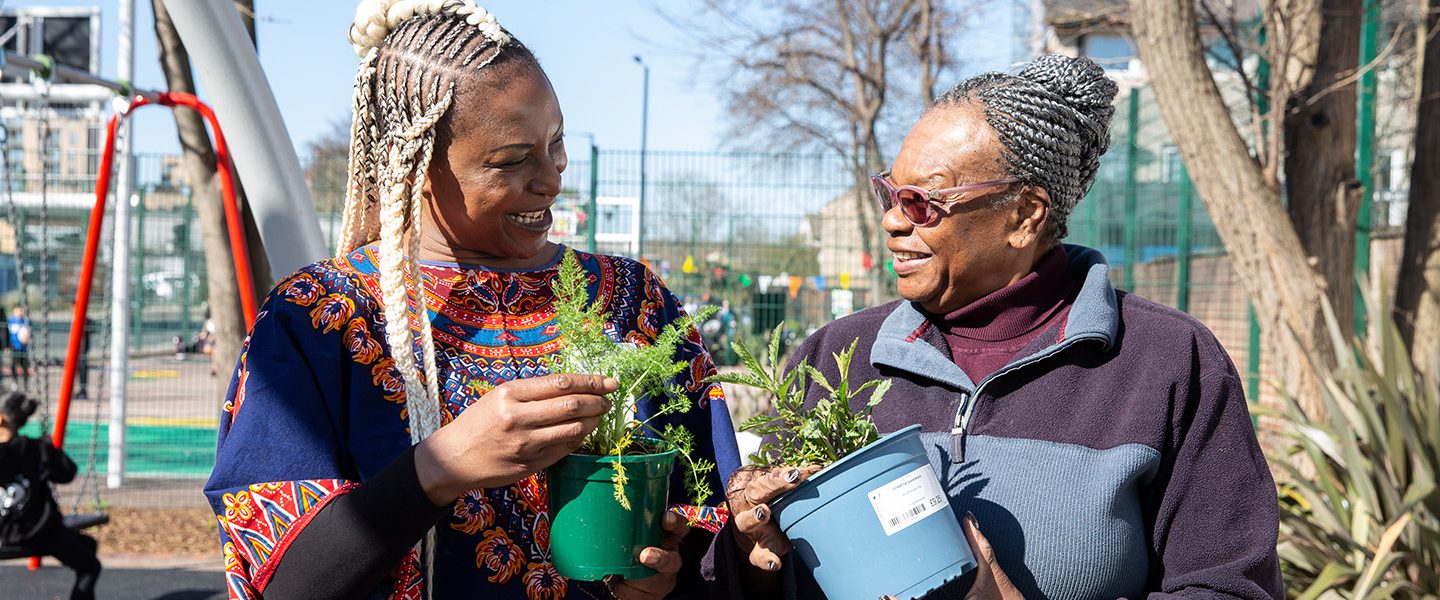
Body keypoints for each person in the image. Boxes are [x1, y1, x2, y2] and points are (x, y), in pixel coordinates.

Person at [203, 3, 740, 599]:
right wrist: (443, 466)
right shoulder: (321, 318)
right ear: (415, 168)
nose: (551, 177)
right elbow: (286, 585)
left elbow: (711, 535)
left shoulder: (633, 303)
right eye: (511, 160)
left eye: (555, 142)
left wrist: (668, 577)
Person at [708, 55, 1284, 599]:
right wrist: (746, 548)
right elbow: (751, 577)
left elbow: (1231, 585)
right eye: (890, 193)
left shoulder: (1166, 362)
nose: (890, 221)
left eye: (922, 202)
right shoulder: (839, 355)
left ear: (1023, 215)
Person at [0, 391, 102, 600]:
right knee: (90, 566)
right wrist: (51, 449)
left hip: (6, 532)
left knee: (88, 546)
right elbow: (67, 473)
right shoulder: (36, 448)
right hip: (41, 533)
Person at [7, 306, 31, 388]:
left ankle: (26, 383)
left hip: (23, 348)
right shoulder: (10, 321)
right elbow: (7, 334)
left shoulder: (26, 321)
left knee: (25, 366)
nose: (20, 312)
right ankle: (15, 383)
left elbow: (29, 333)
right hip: (14, 347)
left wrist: (28, 337)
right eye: (18, 311)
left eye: (21, 311)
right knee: (13, 365)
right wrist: (8, 346)